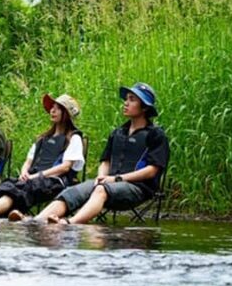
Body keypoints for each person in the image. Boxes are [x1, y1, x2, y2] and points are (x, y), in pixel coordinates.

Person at [35, 82, 169, 224]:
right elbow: (105, 162)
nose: (126, 103)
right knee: (72, 191)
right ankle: (35, 221)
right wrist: (101, 176)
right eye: (126, 99)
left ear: (144, 107)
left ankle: (70, 223)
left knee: (100, 189)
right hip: (109, 183)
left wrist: (116, 179)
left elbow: (152, 171)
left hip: (138, 189)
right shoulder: (117, 133)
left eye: (132, 99)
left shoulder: (156, 135)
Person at [0, 93, 84, 219]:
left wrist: (36, 176)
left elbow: (65, 167)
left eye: (58, 108)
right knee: (6, 186)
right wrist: (24, 173)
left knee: (18, 191)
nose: (52, 110)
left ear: (66, 114)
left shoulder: (73, 138)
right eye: (52, 107)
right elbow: (29, 161)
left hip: (54, 181)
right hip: (32, 178)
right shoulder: (43, 138)